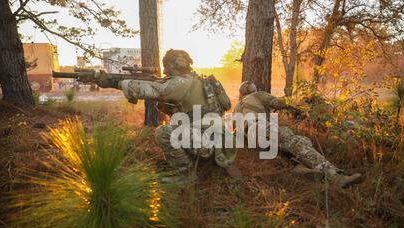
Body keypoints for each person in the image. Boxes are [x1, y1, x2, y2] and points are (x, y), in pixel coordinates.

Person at [95, 49, 240, 183]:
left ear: (176, 64)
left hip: (210, 143)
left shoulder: (182, 82)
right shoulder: (197, 81)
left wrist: (114, 82)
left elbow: (154, 89)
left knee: (164, 132)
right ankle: (199, 165)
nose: (164, 70)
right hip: (220, 142)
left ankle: (187, 174)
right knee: (178, 126)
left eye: (167, 66)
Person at [234, 81, 362, 188]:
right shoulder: (257, 95)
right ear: (253, 90)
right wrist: (292, 107)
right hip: (260, 126)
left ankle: (301, 169)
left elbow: (235, 131)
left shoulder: (236, 107)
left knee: (288, 149)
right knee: (297, 142)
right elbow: (277, 103)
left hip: (250, 141)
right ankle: (336, 177)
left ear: (241, 93)